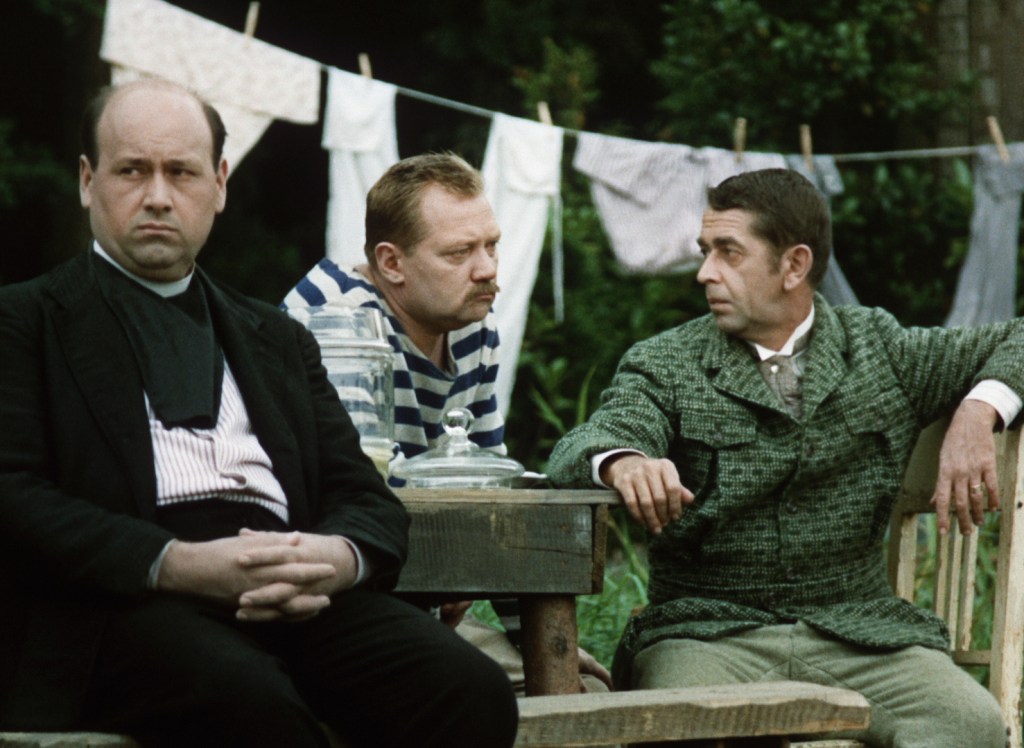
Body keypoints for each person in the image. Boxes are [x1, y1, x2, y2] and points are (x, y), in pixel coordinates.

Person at [0, 79, 518, 748]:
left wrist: (331, 558)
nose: (157, 196)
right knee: (249, 703)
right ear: (87, 180)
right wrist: (177, 563)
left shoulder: (276, 337)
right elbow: (13, 494)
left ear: (219, 183)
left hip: (292, 587)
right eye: (132, 170)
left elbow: (365, 495)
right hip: (126, 601)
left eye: (181, 172)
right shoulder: (24, 321)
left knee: (468, 689)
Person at [548, 168, 1024, 748]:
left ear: (794, 265)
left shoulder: (881, 348)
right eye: (705, 251)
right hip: (708, 636)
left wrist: (978, 411)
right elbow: (583, 443)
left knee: (969, 723)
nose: (705, 272)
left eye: (728, 252)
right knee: (676, 728)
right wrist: (624, 462)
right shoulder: (667, 363)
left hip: (860, 634)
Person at [283, 153, 613, 695]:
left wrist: (538, 639)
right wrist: (450, 567)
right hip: (331, 611)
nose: (487, 270)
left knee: (585, 692)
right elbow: (359, 492)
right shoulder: (335, 322)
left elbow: (493, 486)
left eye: (491, 245)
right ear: (392, 263)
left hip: (422, 597)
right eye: (460, 252)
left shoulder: (469, 321)